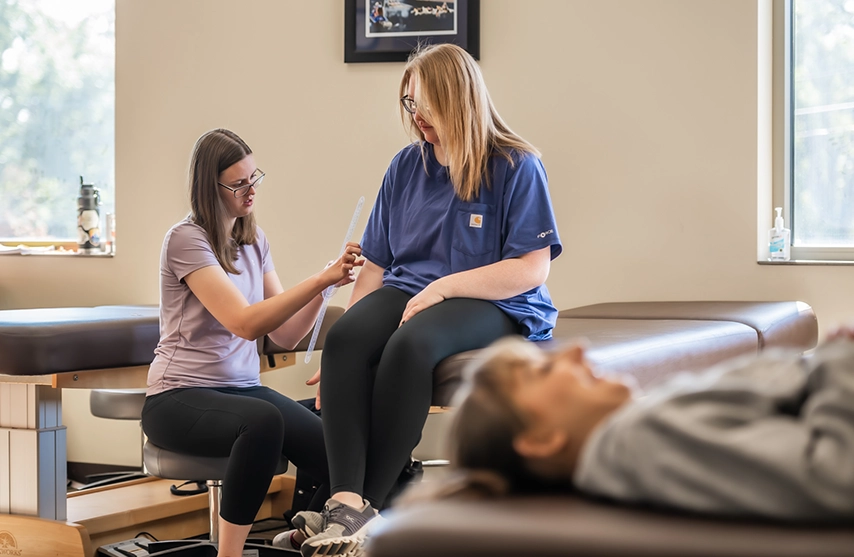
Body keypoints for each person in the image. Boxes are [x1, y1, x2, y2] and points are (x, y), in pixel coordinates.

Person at [293, 43, 562, 557]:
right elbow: (375, 267)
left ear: (457, 100)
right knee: (346, 339)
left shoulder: (516, 165)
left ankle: (367, 507)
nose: (416, 118)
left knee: (411, 345)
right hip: (410, 290)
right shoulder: (405, 167)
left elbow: (531, 267)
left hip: (499, 304)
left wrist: (444, 287)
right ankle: (345, 503)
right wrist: (340, 357)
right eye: (409, 105)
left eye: (425, 107)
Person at [141, 128, 363, 557]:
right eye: (238, 183)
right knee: (263, 420)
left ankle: (305, 536)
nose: (250, 190)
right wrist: (318, 278)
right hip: (179, 397)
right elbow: (243, 323)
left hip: (241, 390)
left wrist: (323, 290)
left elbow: (282, 335)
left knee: (342, 453)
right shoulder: (187, 240)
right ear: (211, 187)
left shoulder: (254, 241)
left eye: (253, 178)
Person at [423, 333, 854, 520]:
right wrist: (839, 359)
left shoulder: (636, 438)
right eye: (544, 369)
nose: (577, 350)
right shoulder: (643, 440)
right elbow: (837, 473)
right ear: (539, 439)